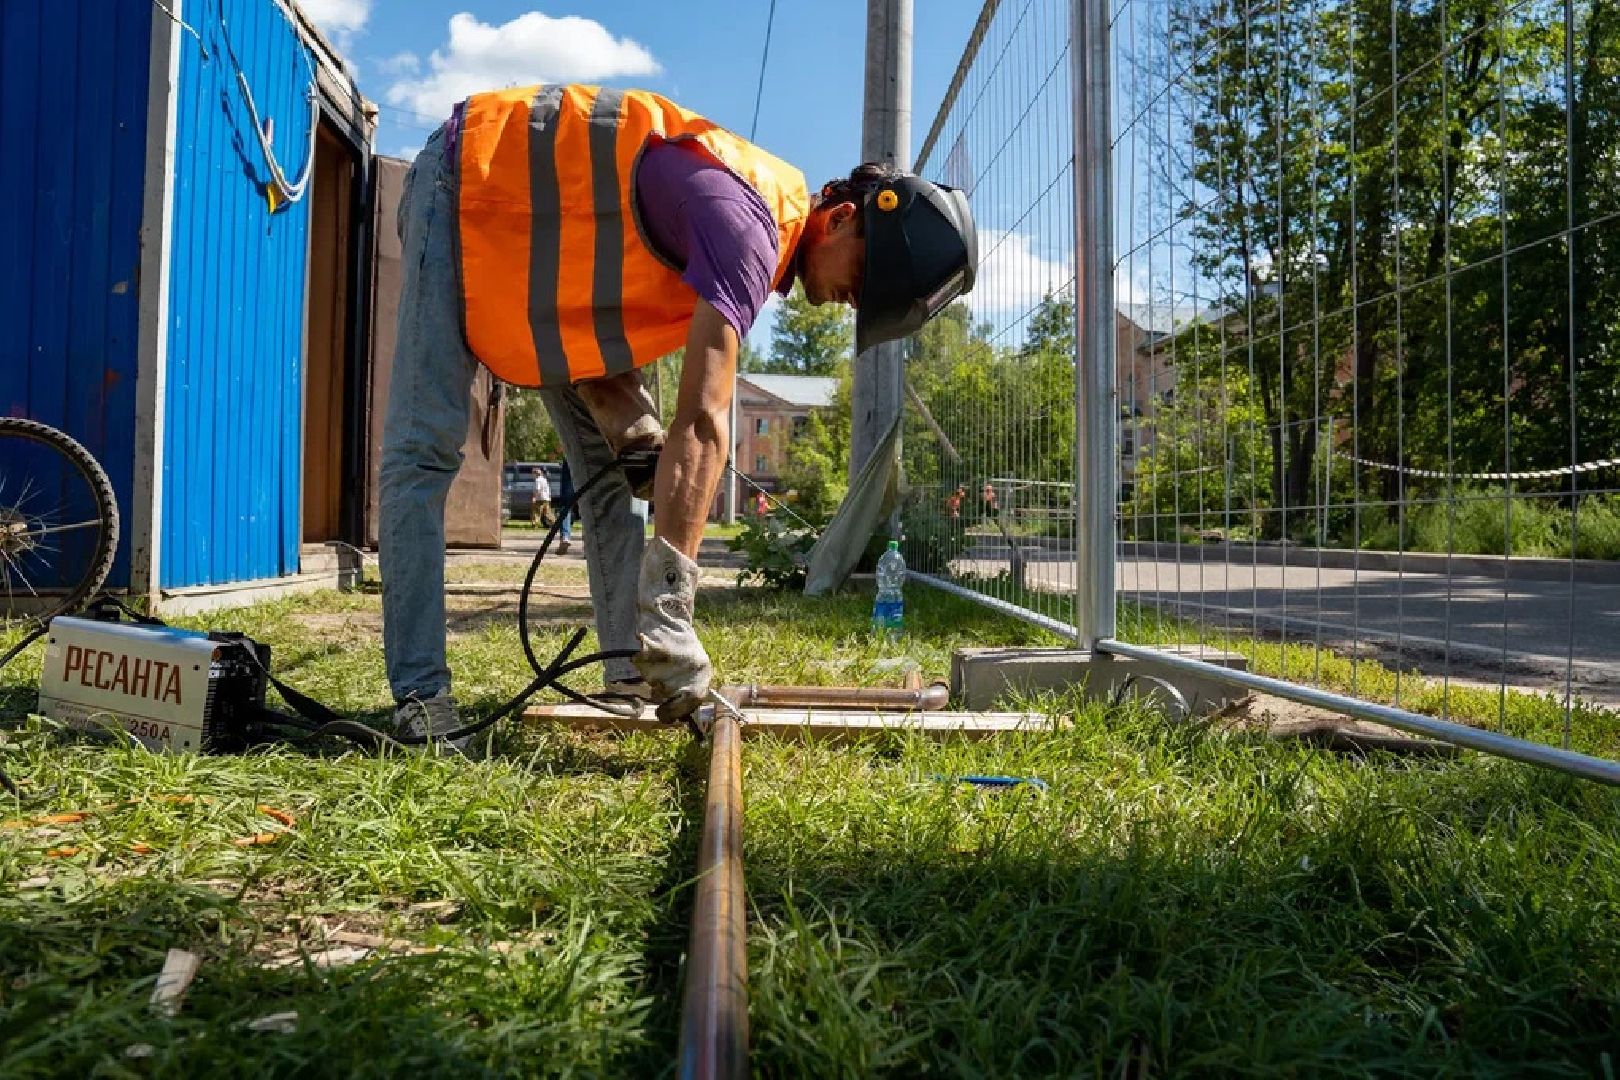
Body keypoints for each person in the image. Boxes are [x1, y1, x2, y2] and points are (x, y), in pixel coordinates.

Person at [379, 84, 977, 748]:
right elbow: (704, 419)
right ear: (839, 218)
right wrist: (671, 603)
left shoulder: (752, 227)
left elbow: (600, 285)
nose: (850, 302)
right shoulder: (745, 224)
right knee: (423, 447)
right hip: (467, 181)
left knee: (615, 480)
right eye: (863, 280)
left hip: (536, 249)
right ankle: (420, 694)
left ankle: (626, 673)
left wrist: (629, 425)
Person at [555, 459, 574, 555]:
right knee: (588, 502)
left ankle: (565, 537)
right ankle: (588, 543)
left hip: (572, 457)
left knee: (566, 503)